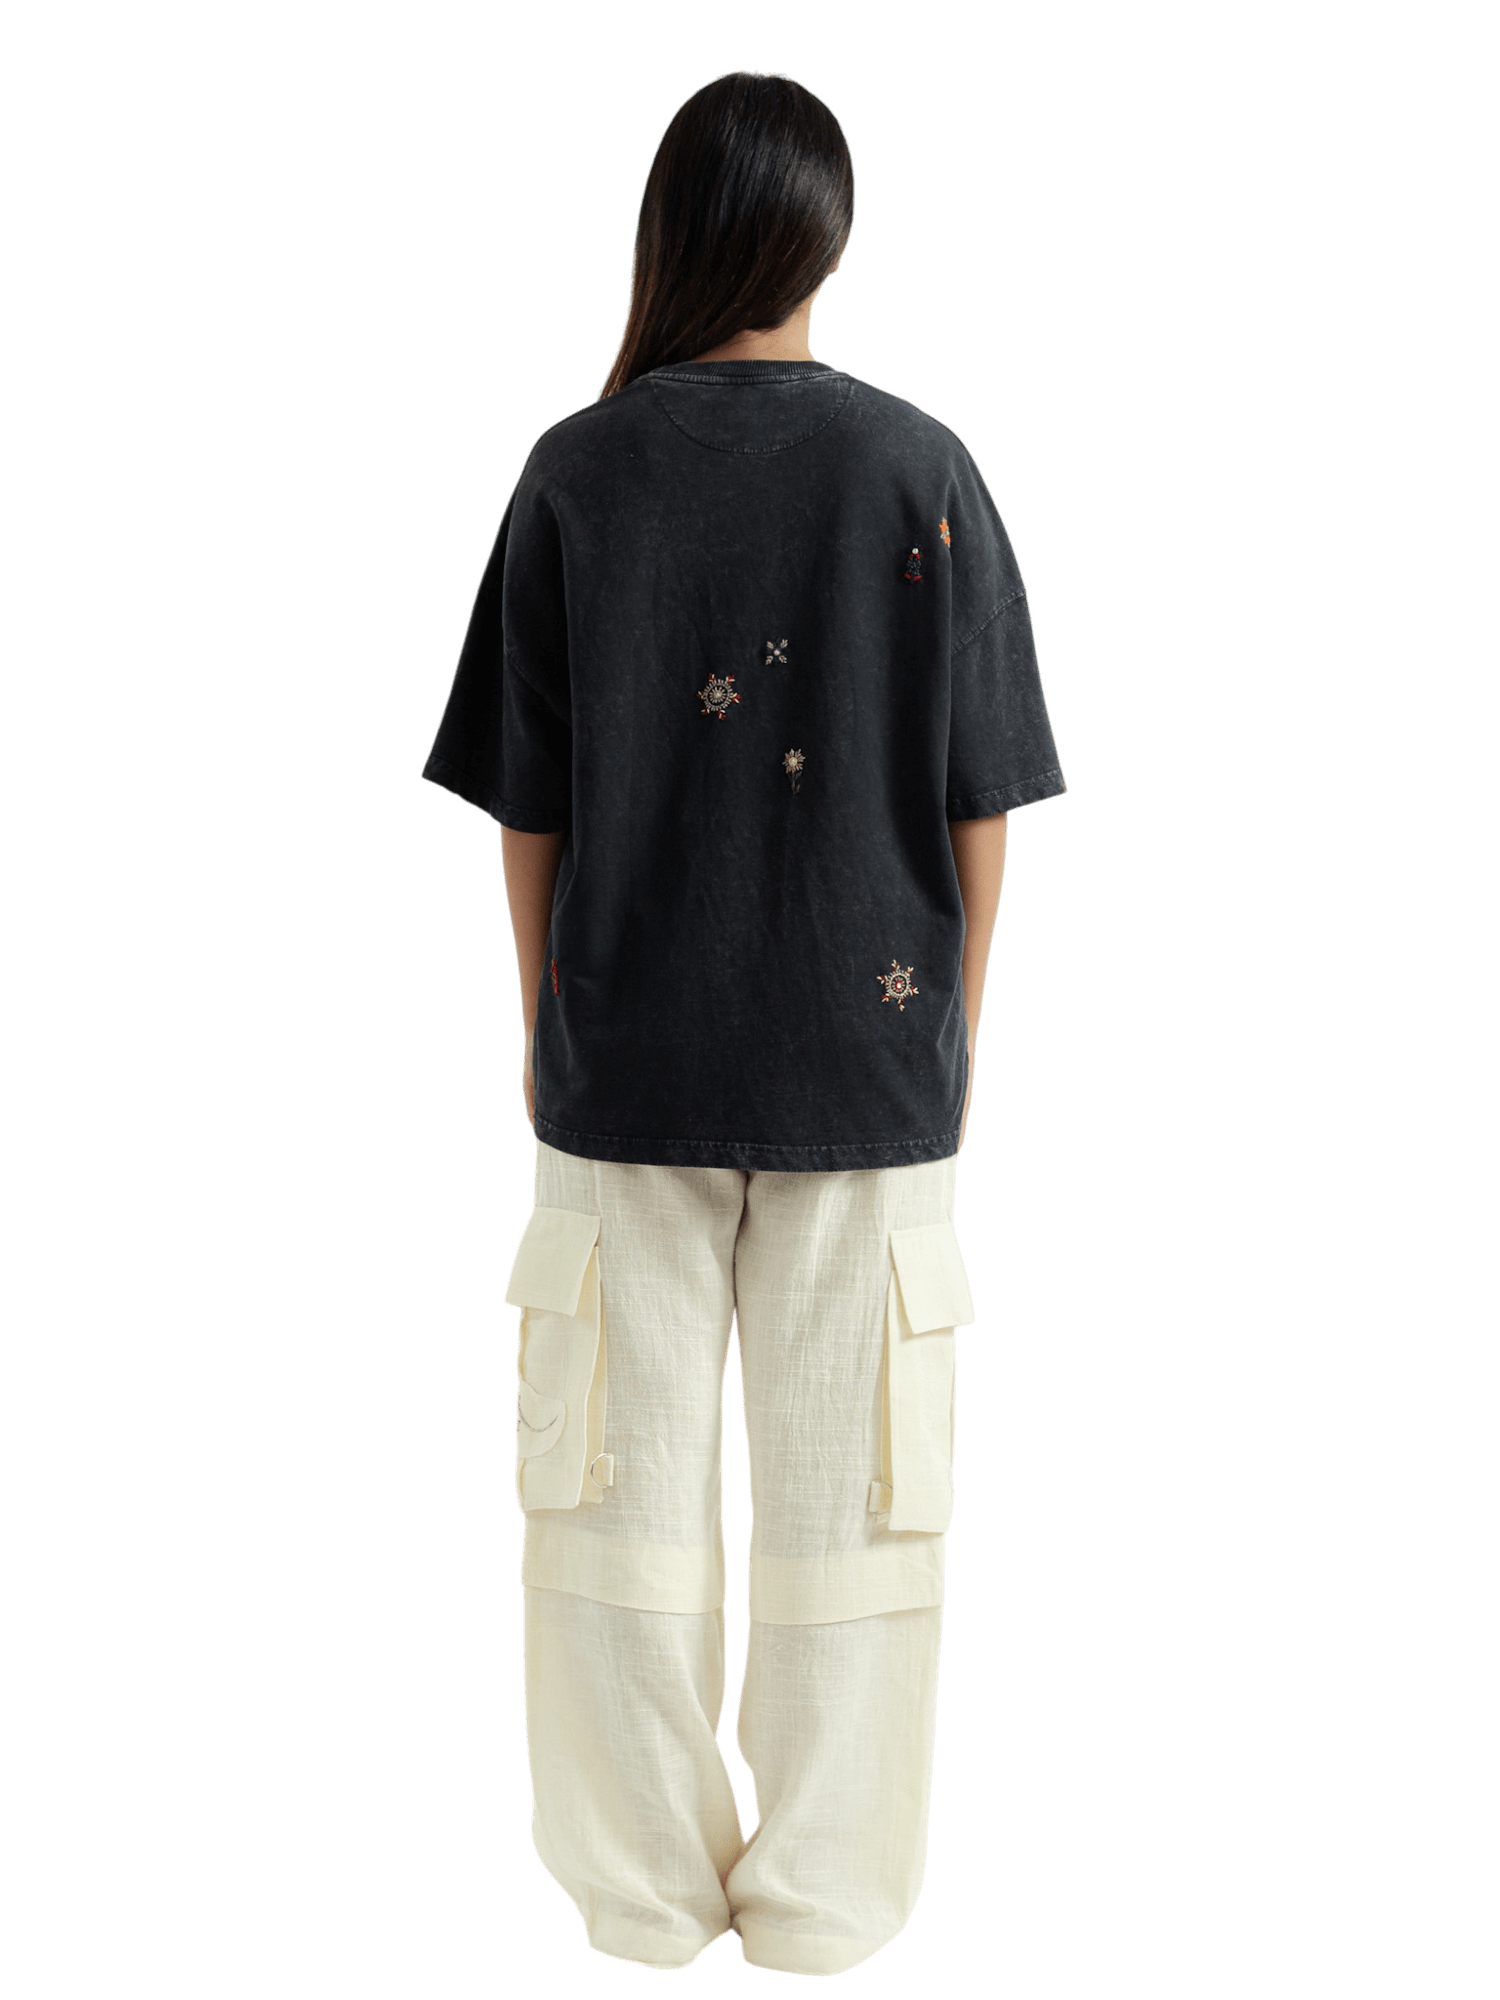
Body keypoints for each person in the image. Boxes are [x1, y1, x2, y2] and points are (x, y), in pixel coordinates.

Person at [420, 69, 1066, 1978]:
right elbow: (984, 801)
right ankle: (826, 1908)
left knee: (607, 1509)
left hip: (623, 1059)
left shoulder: (574, 471)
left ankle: (636, 1900)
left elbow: (528, 806)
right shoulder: (920, 467)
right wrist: (960, 1032)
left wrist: (540, 1019)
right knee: (862, 1509)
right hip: (873, 1064)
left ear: (671, 232)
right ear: (829, 238)